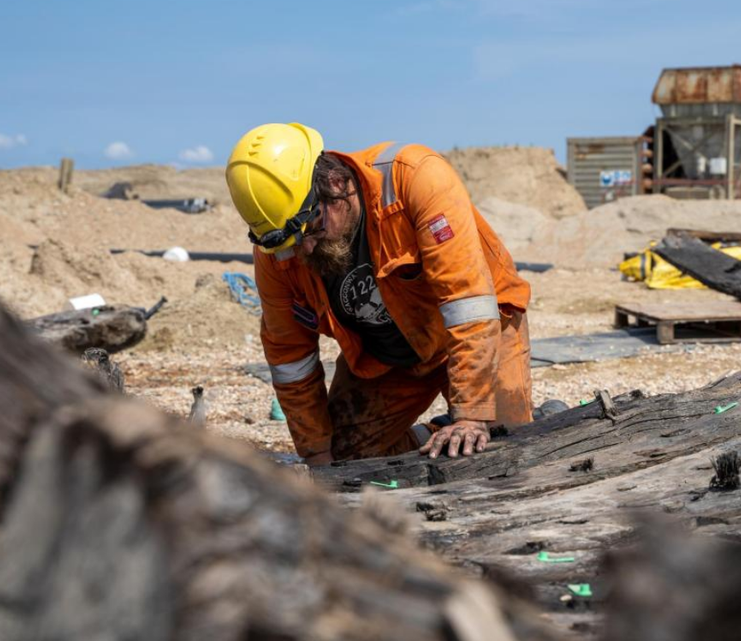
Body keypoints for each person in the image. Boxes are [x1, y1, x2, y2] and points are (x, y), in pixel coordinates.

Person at [225, 123, 532, 465]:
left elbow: (468, 301)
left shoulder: (414, 178)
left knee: (504, 451)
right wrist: (318, 456)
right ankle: (431, 435)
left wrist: (472, 414)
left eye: (312, 228)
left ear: (335, 183)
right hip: (388, 359)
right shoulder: (279, 250)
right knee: (345, 459)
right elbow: (290, 359)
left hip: (484, 333)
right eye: (292, 243)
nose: (307, 248)